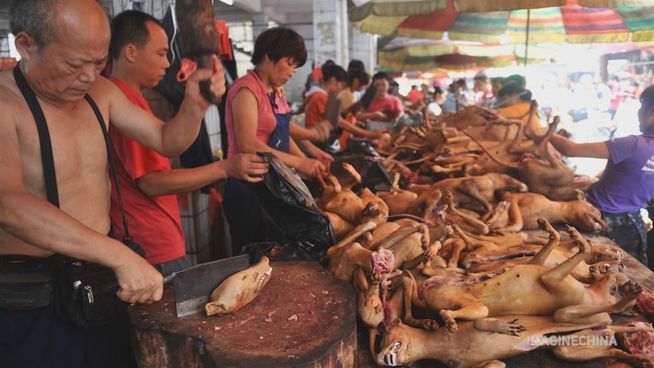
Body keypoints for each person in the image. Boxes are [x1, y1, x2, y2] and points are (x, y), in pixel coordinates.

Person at [0, 0, 225, 367]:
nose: (89, 75)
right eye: (75, 64)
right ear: (25, 45)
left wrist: (194, 106)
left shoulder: (101, 93)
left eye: (99, 61)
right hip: (32, 291)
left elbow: (167, 140)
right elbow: (8, 204)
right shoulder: (4, 103)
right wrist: (119, 255)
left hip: (98, 278)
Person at [107, 11, 267, 276]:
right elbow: (152, 182)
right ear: (131, 52)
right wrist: (224, 168)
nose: (167, 63)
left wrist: (197, 104)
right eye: (160, 53)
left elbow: (169, 140)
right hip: (149, 244)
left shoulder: (134, 100)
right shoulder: (121, 100)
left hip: (155, 239)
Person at [224, 27, 327, 254]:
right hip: (248, 187)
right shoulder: (246, 90)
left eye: (295, 66)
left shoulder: (274, 91)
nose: (292, 72)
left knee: (277, 254)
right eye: (289, 63)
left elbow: (281, 132)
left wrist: (307, 163)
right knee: (252, 254)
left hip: (273, 186)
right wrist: (300, 163)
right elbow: (248, 144)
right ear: (269, 56)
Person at [549, 85, 654, 266]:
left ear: (651, 111)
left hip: (597, 219)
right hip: (632, 225)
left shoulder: (633, 144)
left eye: (641, 107)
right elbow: (628, 175)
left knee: (584, 269)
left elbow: (571, 149)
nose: (639, 112)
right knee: (625, 273)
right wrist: (592, 180)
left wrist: (542, 133)